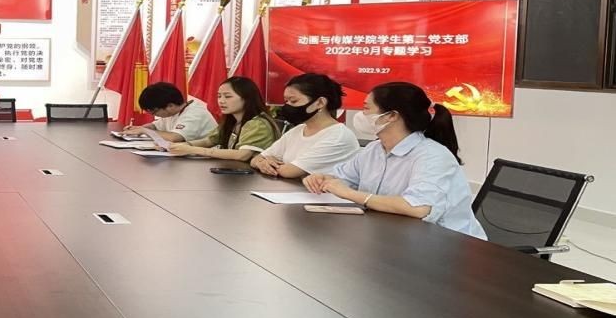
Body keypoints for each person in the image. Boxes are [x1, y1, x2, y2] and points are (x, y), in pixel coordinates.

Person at [303, 82, 488, 239]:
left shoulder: (432, 156)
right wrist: (323, 179)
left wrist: (351, 194)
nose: (361, 115)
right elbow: (343, 177)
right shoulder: (375, 149)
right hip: (394, 236)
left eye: (366, 108)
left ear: (391, 116)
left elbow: (418, 208)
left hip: (448, 245)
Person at [249, 73, 360, 178]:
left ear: (320, 102)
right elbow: (257, 159)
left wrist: (266, 164)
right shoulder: (298, 130)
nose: (288, 106)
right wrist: (261, 162)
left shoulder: (338, 137)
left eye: (293, 101)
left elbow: (290, 171)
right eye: (286, 101)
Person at [167, 77, 281, 160]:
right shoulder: (232, 121)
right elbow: (209, 140)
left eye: (228, 96)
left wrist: (192, 150)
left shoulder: (258, 123)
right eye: (219, 96)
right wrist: (184, 145)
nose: (221, 101)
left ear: (247, 98)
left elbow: (242, 155)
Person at [122, 81, 217, 143]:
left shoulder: (194, 113)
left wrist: (145, 131)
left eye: (154, 112)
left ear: (170, 105)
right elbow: (155, 126)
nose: (154, 115)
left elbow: (175, 138)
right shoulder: (174, 112)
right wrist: (138, 128)